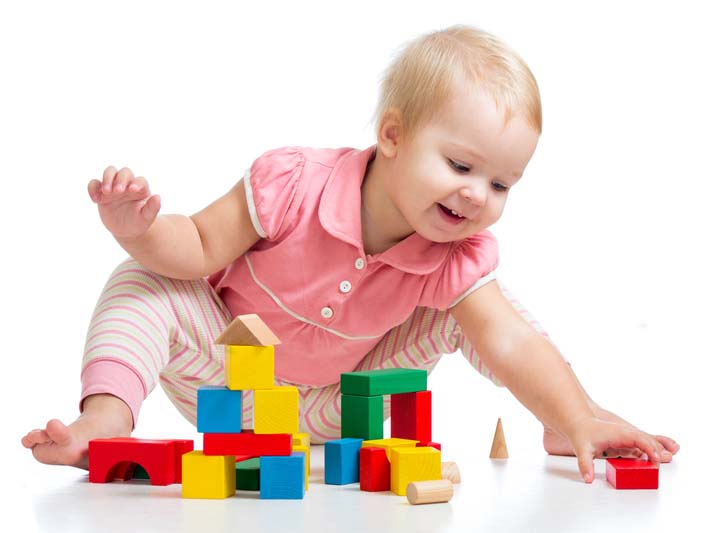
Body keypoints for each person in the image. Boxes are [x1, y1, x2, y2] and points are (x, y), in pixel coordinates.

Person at [21, 24, 678, 483]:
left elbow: (508, 342)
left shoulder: (457, 252)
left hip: (338, 404)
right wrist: (139, 229)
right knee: (143, 279)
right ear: (392, 134)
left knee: (486, 308)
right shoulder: (293, 183)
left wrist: (573, 411)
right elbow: (194, 248)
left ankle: (571, 418)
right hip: (227, 379)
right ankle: (104, 416)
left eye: (502, 183)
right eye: (460, 165)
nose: (478, 195)